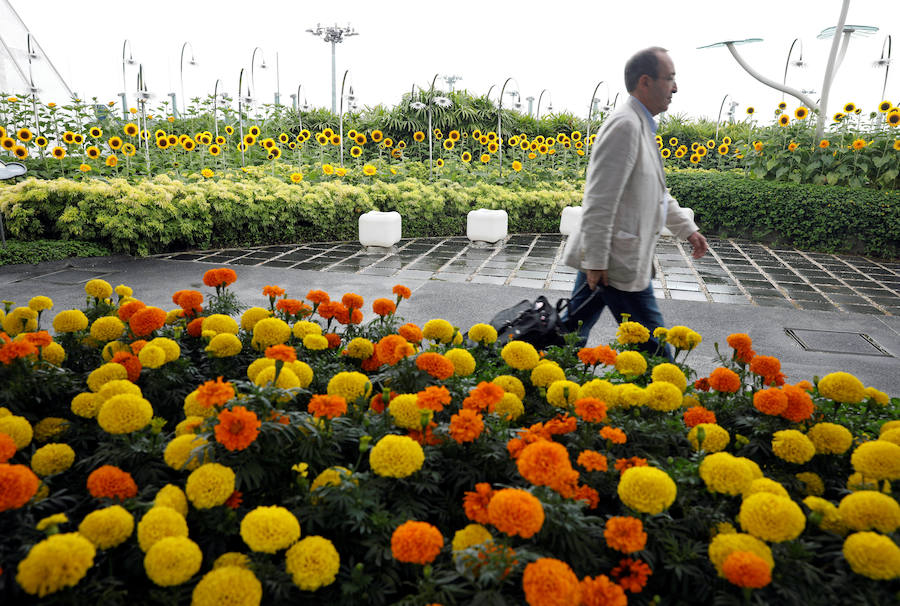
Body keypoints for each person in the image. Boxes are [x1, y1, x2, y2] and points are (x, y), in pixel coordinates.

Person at [562, 46, 708, 358]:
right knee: (655, 350)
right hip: (614, 263)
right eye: (669, 78)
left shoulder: (640, 125)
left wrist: (688, 230)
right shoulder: (625, 125)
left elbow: (656, 192)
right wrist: (597, 261)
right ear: (645, 81)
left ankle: (536, 381)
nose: (675, 87)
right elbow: (599, 200)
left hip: (614, 258)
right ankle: (666, 401)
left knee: (568, 334)